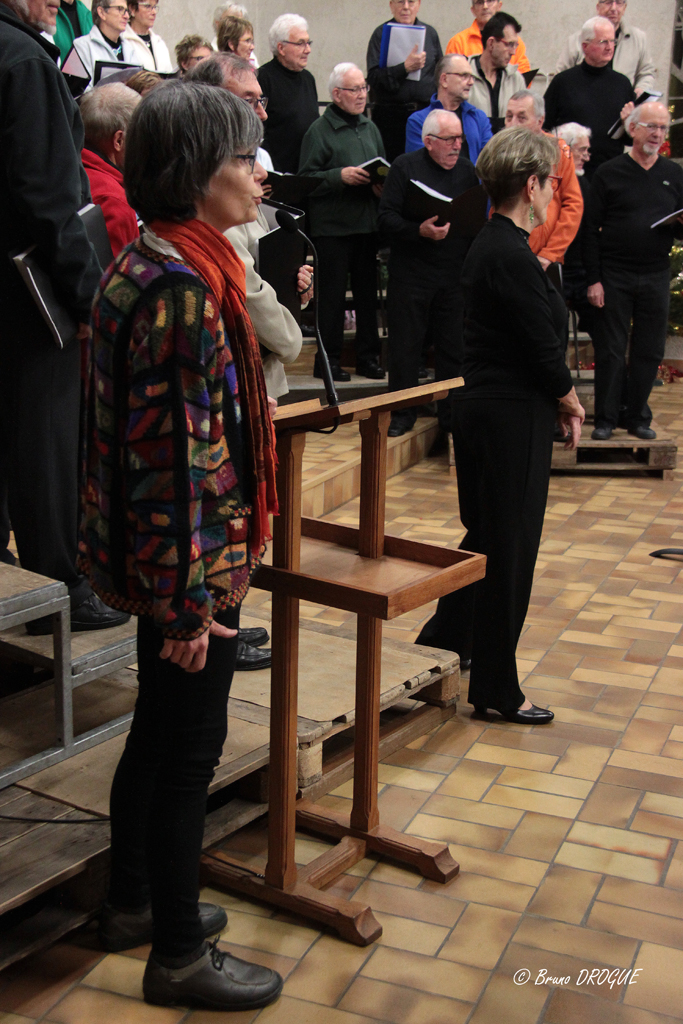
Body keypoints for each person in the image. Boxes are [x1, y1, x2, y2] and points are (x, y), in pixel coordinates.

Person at [82, 82, 282, 1011]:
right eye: (242, 157)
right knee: (186, 754)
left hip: (170, 559)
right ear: (196, 173)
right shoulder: (178, 293)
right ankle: (176, 956)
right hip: (188, 567)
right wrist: (188, 608)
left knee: (157, 735)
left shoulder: (160, 262)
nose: (257, 173)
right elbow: (169, 467)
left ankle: (132, 902)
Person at [416, 126, 585, 722]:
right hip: (509, 414)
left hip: (495, 409)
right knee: (510, 550)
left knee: (489, 537)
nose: (555, 193)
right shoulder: (508, 251)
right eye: (552, 183)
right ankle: (496, 688)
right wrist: (569, 398)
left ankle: (445, 640)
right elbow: (540, 343)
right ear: (531, 185)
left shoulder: (496, 243)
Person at [0, 0, 129, 635]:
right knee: (44, 443)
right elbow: (51, 198)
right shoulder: (23, 60)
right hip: (27, 297)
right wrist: (87, 299)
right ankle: (58, 590)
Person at [187, 50, 311, 674]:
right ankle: (215, 620)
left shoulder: (238, 172)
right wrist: (289, 332)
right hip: (245, 373)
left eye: (262, 100)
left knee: (242, 524)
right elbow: (246, 286)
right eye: (248, 100)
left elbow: (261, 271)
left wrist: (293, 283)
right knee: (227, 513)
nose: (261, 112)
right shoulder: (193, 231)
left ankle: (228, 616)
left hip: (259, 367)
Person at [584, 102, 683, 441]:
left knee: (650, 349)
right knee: (611, 349)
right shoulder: (609, 172)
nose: (658, 134)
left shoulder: (674, 174)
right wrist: (594, 279)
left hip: (656, 273)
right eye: (652, 126)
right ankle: (606, 418)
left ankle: (637, 416)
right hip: (615, 273)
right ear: (634, 129)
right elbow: (590, 229)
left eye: (663, 128)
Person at [379, 109, 478, 437]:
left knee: (453, 349)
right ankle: (403, 414)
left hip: (453, 274)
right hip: (411, 274)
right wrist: (417, 230)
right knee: (405, 348)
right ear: (429, 141)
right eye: (449, 140)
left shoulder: (467, 171)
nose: (457, 146)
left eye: (460, 138)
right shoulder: (405, 167)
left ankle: (451, 417)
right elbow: (385, 218)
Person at [299, 62, 386, 383]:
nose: (362, 95)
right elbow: (305, 180)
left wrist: (380, 185)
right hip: (332, 229)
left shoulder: (370, 127)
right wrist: (339, 176)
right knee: (332, 300)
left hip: (366, 226)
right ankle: (328, 361)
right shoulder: (319, 131)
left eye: (364, 88)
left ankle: (368, 358)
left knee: (367, 298)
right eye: (354, 89)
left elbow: (382, 165)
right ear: (336, 94)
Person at [543, 16, 635, 177]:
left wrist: (629, 123)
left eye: (612, 41)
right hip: (571, 171)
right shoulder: (563, 82)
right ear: (585, 46)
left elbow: (630, 140)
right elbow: (545, 127)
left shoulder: (622, 84)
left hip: (611, 172)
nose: (609, 47)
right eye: (603, 42)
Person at [504, 91, 583, 269]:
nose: (513, 124)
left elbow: (573, 204)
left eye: (521, 118)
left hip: (546, 259)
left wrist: (550, 253)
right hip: (508, 253)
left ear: (540, 121)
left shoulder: (559, 150)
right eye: (509, 117)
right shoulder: (499, 151)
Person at [366, 0, 442, 163]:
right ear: (391, 5)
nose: (406, 7)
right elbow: (373, 78)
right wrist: (404, 68)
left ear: (419, 4)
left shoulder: (430, 34)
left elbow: (440, 75)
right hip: (390, 118)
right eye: (400, 1)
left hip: (424, 115)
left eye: (411, 2)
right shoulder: (380, 34)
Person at [80, 82, 140, 256]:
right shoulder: (114, 202)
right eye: (141, 134)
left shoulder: (65, 167)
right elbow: (118, 273)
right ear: (119, 141)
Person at [186, 52, 273, 170]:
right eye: (249, 101)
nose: (263, 115)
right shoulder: (188, 168)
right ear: (209, 106)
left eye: (260, 101)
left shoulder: (261, 157)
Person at [257, 14, 318, 173]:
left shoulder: (308, 79)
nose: (308, 50)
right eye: (300, 43)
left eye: (308, 43)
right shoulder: (263, 78)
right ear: (281, 48)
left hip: (307, 171)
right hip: (277, 173)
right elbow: (260, 132)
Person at [405, 53, 492, 163]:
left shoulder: (479, 118)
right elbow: (418, 166)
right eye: (464, 76)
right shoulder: (418, 121)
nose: (471, 82)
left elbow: (489, 161)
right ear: (444, 80)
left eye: (471, 76)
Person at [556, 0, 655, 94]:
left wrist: (640, 90)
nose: (613, 8)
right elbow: (560, 76)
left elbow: (646, 73)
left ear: (624, 8)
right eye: (608, 2)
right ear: (598, 7)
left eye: (619, 2)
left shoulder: (639, 39)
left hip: (624, 102)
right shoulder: (576, 40)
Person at [556, 121, 595, 337]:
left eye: (588, 150)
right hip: (556, 266)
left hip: (582, 270)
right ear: (565, 149)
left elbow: (590, 231)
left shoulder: (585, 184)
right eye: (582, 150)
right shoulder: (549, 182)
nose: (587, 157)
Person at [466, 11, 526, 133]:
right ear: (491, 43)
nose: (513, 52)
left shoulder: (516, 79)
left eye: (515, 45)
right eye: (509, 44)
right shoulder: (464, 75)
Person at [445, 0, 530, 74]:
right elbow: (450, 77)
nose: (485, 6)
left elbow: (524, 76)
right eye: (480, 2)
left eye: (490, 1)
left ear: (499, 5)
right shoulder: (458, 42)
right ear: (473, 10)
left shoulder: (513, 42)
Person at [72, 0, 140, 85]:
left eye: (127, 11)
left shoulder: (129, 48)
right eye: (120, 9)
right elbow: (80, 90)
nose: (126, 16)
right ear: (102, 12)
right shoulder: (82, 46)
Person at [122, 0, 173, 72]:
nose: (154, 12)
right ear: (132, 9)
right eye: (147, 6)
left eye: (154, 7)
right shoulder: (124, 42)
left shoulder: (159, 43)